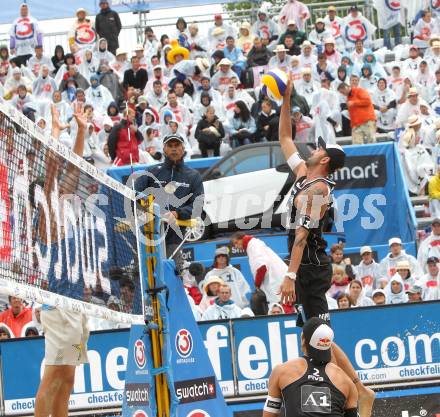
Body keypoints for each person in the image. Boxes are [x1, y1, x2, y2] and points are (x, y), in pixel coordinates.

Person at [278, 76, 375, 417]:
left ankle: (358, 390)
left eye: (319, 147)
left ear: (326, 160)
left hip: (311, 267)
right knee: (316, 334)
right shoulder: (305, 172)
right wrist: (286, 98)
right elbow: (285, 137)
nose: (313, 147)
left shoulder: (319, 190)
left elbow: (303, 237)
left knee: (320, 335)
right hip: (303, 264)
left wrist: (289, 275)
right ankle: (358, 388)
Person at [34, 104, 89, 417]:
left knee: (69, 376)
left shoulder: (69, 216)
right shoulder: (48, 218)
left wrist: (81, 131)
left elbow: (75, 168)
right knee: (53, 375)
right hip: (58, 308)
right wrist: (55, 131)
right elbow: (54, 171)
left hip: (77, 309)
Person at [134, 134, 204, 272]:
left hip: (174, 238)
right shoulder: (151, 171)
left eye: (177, 146)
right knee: (141, 272)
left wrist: (177, 213)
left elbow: (197, 206)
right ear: (164, 149)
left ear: (183, 149)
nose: (173, 149)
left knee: (175, 273)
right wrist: (146, 209)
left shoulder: (193, 176)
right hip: (148, 234)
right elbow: (134, 194)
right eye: (170, 146)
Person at [263, 317, 358, 417]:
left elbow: (269, 415)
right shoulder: (346, 381)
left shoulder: (281, 371)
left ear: (303, 339)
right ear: (329, 344)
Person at [231, 232, 286, 314]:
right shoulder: (253, 244)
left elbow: (262, 268)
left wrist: (257, 284)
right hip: (278, 283)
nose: (236, 246)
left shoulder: (253, 245)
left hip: (277, 284)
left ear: (242, 238)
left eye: (236, 242)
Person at [10, 3, 43, 67]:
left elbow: (39, 33)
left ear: (28, 10)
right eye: (22, 9)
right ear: (20, 10)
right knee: (21, 68)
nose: (24, 11)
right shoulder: (15, 22)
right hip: (19, 51)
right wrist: (11, 47)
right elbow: (12, 35)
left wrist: (40, 45)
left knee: (31, 68)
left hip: (31, 50)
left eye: (25, 9)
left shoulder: (33, 20)